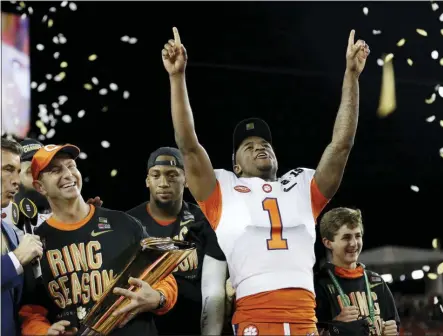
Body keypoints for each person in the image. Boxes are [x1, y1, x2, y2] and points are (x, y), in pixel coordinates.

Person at [161, 27, 370, 335]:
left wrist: (351, 76)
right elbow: (189, 146)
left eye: (265, 144)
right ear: (236, 166)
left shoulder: (301, 185)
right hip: (254, 317)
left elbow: (341, 145)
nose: (260, 146)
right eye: (248, 146)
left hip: (305, 319)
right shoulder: (222, 190)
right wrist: (177, 78)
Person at [19, 144, 178, 336]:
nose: (68, 174)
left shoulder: (123, 223)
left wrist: (158, 298)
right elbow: (30, 313)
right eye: (55, 170)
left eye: (71, 166)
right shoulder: (36, 244)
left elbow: (163, 275)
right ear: (40, 186)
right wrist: (45, 332)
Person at [127, 147, 227, 335]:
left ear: (187, 180)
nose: (163, 183)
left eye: (172, 175)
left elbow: (215, 285)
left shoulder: (204, 220)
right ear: (147, 181)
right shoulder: (129, 223)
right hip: (148, 325)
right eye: (156, 175)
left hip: (194, 324)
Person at [315, 207, 400, 336]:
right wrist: (336, 325)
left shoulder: (376, 282)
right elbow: (308, 331)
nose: (354, 243)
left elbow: (394, 324)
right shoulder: (319, 284)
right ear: (328, 243)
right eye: (346, 237)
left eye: (358, 236)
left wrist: (392, 331)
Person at [1, 138, 43, 336]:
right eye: (8, 169)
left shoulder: (10, 234)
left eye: (18, 171)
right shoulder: (18, 248)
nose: (16, 180)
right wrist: (16, 260)